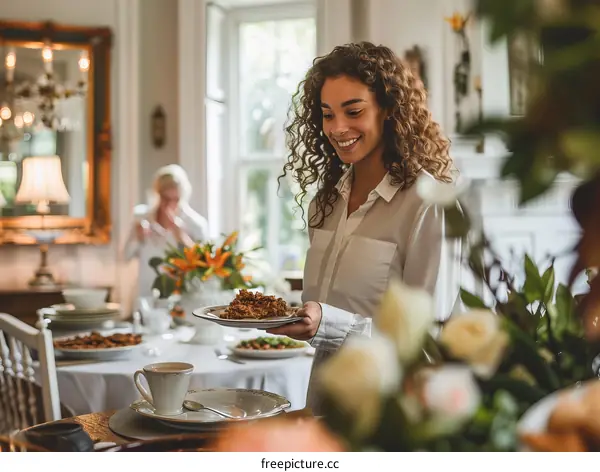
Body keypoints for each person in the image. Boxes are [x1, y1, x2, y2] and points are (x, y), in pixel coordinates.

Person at [268, 42, 458, 414]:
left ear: (389, 110)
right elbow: (321, 317)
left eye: (353, 111)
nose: (337, 128)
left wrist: (330, 323)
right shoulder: (324, 205)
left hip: (391, 419)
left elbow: (428, 339)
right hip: (323, 405)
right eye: (327, 114)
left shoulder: (428, 205)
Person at [124, 164, 209, 299]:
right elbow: (125, 256)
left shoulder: (196, 224)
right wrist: (138, 237)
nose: (170, 205)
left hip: (181, 296)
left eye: (175, 199)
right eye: (165, 198)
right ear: (157, 194)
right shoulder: (142, 217)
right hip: (146, 295)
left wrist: (183, 238)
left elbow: (205, 267)